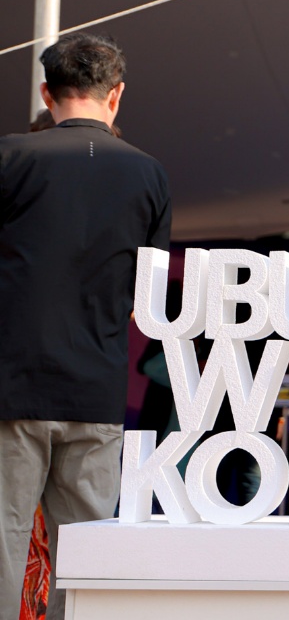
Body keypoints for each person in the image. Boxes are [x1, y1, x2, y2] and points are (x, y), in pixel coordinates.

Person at [0, 33, 171, 620]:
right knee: (86, 559)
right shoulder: (149, 174)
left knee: (5, 544)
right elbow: (145, 301)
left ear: (47, 93)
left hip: (13, 385)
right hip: (97, 389)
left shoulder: (11, 157)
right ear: (115, 95)